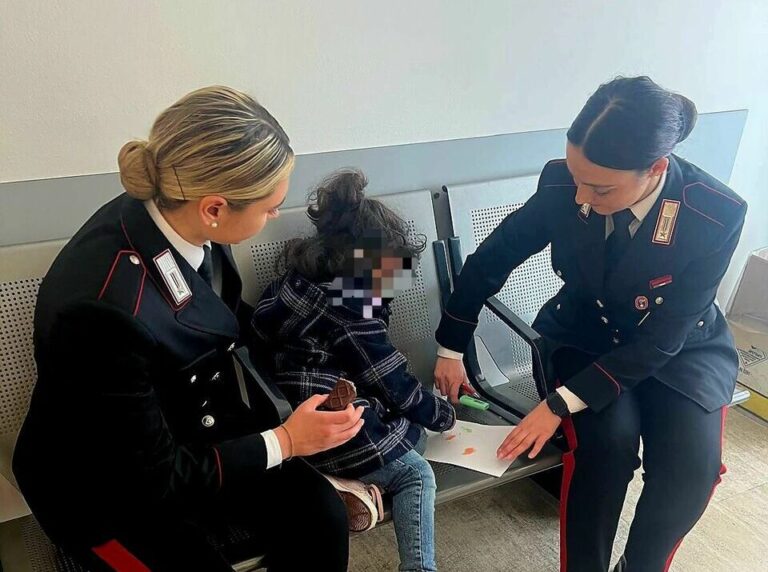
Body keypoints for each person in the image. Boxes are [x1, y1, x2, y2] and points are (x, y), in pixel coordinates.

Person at [13, 86, 364, 572]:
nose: (275, 216)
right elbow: (152, 477)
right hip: (104, 488)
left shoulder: (171, 209)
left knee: (320, 514)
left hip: (187, 425)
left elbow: (213, 315)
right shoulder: (102, 313)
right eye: (268, 207)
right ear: (216, 208)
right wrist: (287, 441)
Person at [433, 76, 747, 572]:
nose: (582, 195)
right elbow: (494, 257)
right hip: (587, 335)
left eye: (600, 187)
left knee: (692, 469)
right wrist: (451, 346)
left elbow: (666, 336)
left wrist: (558, 403)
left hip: (681, 347)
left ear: (655, 169)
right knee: (607, 447)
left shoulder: (714, 213)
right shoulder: (566, 185)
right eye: (578, 177)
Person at [251, 170, 456, 572]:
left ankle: (352, 488)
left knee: (410, 441)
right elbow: (395, 385)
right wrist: (444, 414)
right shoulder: (351, 314)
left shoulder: (297, 283)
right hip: (335, 422)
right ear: (368, 269)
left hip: (299, 410)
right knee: (417, 470)